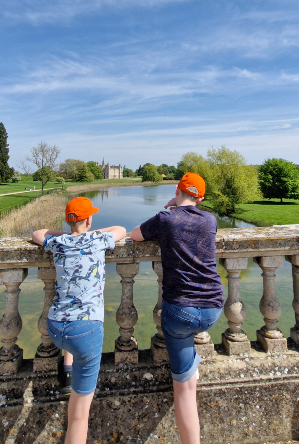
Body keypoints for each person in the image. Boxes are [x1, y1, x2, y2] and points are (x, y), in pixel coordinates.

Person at [130, 173, 223, 444]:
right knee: (188, 361)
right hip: (214, 306)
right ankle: (191, 366)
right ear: (201, 198)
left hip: (182, 310)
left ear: (177, 190)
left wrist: (171, 207)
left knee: (182, 390)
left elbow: (135, 235)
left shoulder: (166, 218)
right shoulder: (211, 220)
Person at [32, 197, 126, 444]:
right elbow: (122, 230)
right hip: (86, 330)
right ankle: (72, 376)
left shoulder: (58, 243)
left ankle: (67, 370)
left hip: (55, 326)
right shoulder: (97, 240)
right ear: (89, 219)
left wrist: (67, 231)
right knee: (79, 416)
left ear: (68, 220)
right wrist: (91, 231)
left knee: (71, 339)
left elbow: (37, 233)